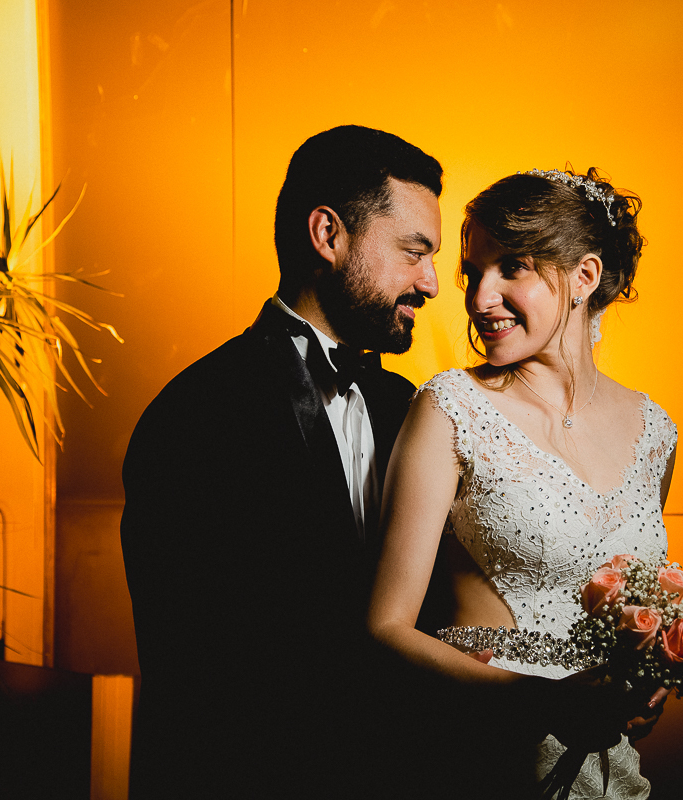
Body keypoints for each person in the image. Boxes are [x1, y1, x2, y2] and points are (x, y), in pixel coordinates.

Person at [120, 125, 443, 797]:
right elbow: (193, 677)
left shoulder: (413, 409)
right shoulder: (193, 415)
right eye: (413, 252)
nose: (432, 282)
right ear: (327, 235)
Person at [369, 168, 676, 798]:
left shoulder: (656, 432)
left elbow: (630, 605)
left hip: (603, 768)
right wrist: (533, 698)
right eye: (472, 273)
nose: (481, 298)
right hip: (484, 753)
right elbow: (385, 627)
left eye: (512, 267)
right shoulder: (449, 407)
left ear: (585, 278)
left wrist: (646, 682)